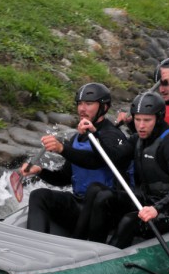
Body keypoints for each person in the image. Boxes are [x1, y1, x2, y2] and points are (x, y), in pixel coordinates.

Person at [78, 92, 169, 248]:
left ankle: (110, 260)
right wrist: (95, 135)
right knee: (103, 196)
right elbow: (115, 157)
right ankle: (90, 248)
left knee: (130, 220)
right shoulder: (138, 139)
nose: (141, 126)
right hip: (148, 200)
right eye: (137, 119)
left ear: (159, 118)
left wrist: (157, 209)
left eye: (147, 120)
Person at [19, 82, 130, 236]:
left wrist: (62, 149)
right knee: (39, 195)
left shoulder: (112, 135)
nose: (82, 109)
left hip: (105, 211)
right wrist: (40, 171)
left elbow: (96, 161)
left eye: (89, 103)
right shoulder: (77, 138)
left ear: (104, 107)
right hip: (80, 203)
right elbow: (64, 178)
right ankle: (35, 243)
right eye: (80, 103)